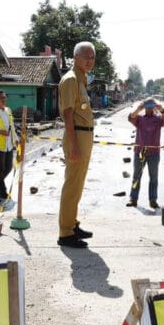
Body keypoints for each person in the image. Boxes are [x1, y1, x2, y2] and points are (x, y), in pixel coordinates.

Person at [57, 42, 97, 248]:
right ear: (75, 57)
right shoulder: (71, 80)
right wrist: (73, 145)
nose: (90, 60)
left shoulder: (82, 80)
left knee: (78, 184)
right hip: (77, 137)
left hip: (85, 136)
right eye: (86, 56)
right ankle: (65, 232)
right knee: (72, 184)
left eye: (92, 57)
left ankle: (72, 224)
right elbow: (68, 114)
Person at [126, 97, 164, 208]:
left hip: (154, 153)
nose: (149, 108)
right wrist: (138, 108)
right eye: (147, 106)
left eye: (151, 106)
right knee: (136, 176)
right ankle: (133, 199)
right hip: (139, 152)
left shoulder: (158, 119)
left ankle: (153, 200)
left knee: (153, 177)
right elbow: (131, 117)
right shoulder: (140, 119)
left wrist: (161, 109)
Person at [0, 90, 19, 204]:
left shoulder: (8, 110)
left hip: (9, 145)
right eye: (1, 98)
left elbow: (11, 127)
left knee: (8, 168)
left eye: (4, 98)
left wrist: (16, 139)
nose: (4, 100)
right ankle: (0, 191)